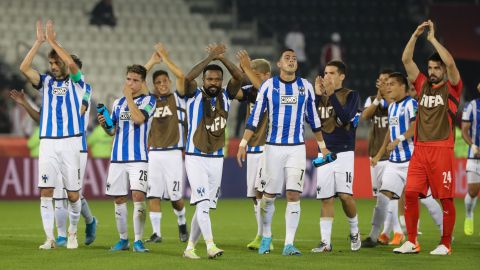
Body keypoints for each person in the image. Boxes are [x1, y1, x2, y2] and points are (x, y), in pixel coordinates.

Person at [237, 48, 329, 256]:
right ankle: (267, 236)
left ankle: (289, 243)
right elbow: (256, 116)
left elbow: (313, 118)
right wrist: (243, 143)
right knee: (268, 196)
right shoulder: (269, 86)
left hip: (296, 148)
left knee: (293, 193)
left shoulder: (305, 87)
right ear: (279, 64)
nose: (291, 60)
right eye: (287, 58)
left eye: (294, 58)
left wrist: (322, 146)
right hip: (272, 148)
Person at [10, 56, 98, 247]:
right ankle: (59, 236)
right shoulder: (52, 89)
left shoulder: (84, 88)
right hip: (55, 142)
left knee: (73, 193)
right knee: (57, 192)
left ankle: (90, 221)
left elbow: (80, 110)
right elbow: (43, 118)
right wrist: (25, 103)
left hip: (77, 144)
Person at [394, 20, 463, 255]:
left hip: (441, 148)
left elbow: (452, 63)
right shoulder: (422, 85)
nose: (432, 72)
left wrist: (433, 39)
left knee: (445, 198)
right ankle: (412, 241)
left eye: (436, 68)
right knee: (411, 193)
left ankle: (446, 243)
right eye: (430, 68)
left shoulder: (453, 88)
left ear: (443, 70)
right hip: (420, 149)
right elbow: (406, 61)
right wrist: (415, 36)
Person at [19, 19, 87, 249]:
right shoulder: (46, 82)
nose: (53, 66)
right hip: (47, 142)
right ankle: (49, 238)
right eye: (50, 62)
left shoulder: (79, 84)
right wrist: (38, 43)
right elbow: (24, 68)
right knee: (46, 191)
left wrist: (54, 42)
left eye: (56, 62)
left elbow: (72, 65)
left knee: (73, 195)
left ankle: (72, 232)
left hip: (69, 143)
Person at [363, 72, 443, 248]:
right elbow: (388, 135)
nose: (388, 87)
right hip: (394, 162)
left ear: (402, 87)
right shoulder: (392, 107)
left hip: (412, 161)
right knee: (383, 198)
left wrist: (399, 139)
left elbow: (415, 128)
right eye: (387, 84)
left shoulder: (411, 104)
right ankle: (373, 236)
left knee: (426, 199)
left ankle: (445, 232)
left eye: (392, 84)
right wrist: (381, 152)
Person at [181, 44, 244, 259]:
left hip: (217, 158)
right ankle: (210, 246)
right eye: (210, 79)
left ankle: (190, 248)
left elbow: (239, 77)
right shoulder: (193, 95)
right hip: (195, 157)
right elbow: (188, 79)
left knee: (204, 206)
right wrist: (209, 58)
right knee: (202, 203)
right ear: (204, 81)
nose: (214, 83)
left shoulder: (227, 96)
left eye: (217, 79)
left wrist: (222, 58)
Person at [98, 65, 156, 252]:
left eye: (135, 80)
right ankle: (123, 240)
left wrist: (129, 97)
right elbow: (112, 131)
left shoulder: (149, 100)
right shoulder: (117, 104)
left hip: (138, 158)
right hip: (117, 158)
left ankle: (138, 240)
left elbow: (139, 118)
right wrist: (104, 125)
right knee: (119, 199)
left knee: (138, 196)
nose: (130, 83)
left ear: (143, 83)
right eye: (128, 79)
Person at [311, 60, 361, 253]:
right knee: (326, 198)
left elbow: (344, 119)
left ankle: (354, 231)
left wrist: (331, 95)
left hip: (344, 151)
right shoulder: (321, 97)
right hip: (324, 152)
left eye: (332, 73)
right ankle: (325, 243)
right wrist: (317, 96)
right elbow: (311, 119)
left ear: (341, 76)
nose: (327, 77)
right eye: (325, 73)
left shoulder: (351, 95)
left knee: (345, 196)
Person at [142, 43, 189, 243]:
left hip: (173, 153)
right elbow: (137, 79)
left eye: (164, 81)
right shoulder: (149, 99)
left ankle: (182, 223)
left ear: (169, 82)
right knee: (153, 194)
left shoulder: (178, 98)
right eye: (158, 82)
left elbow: (182, 76)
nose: (162, 84)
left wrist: (165, 58)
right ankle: (157, 233)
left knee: (176, 198)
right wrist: (153, 60)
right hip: (154, 153)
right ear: (153, 85)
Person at [362, 69, 404, 245]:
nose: (383, 84)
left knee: (390, 195)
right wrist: (378, 97)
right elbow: (365, 116)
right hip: (375, 153)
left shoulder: (396, 102)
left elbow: (392, 111)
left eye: (386, 81)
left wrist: (385, 96)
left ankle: (398, 231)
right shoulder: (372, 100)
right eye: (380, 81)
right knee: (379, 196)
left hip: (391, 154)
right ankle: (385, 233)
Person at [235, 50, 272, 250]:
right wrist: (238, 71)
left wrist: (247, 68)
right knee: (254, 196)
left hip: (268, 147)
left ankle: (266, 236)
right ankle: (260, 234)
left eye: (254, 73)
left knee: (262, 193)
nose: (250, 76)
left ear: (266, 75)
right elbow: (234, 92)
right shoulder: (251, 90)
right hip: (253, 147)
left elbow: (263, 88)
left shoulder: (273, 88)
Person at [461, 82, 480, 236]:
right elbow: (465, 131)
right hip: (475, 156)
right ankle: (469, 214)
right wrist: (473, 145)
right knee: (473, 191)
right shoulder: (471, 106)